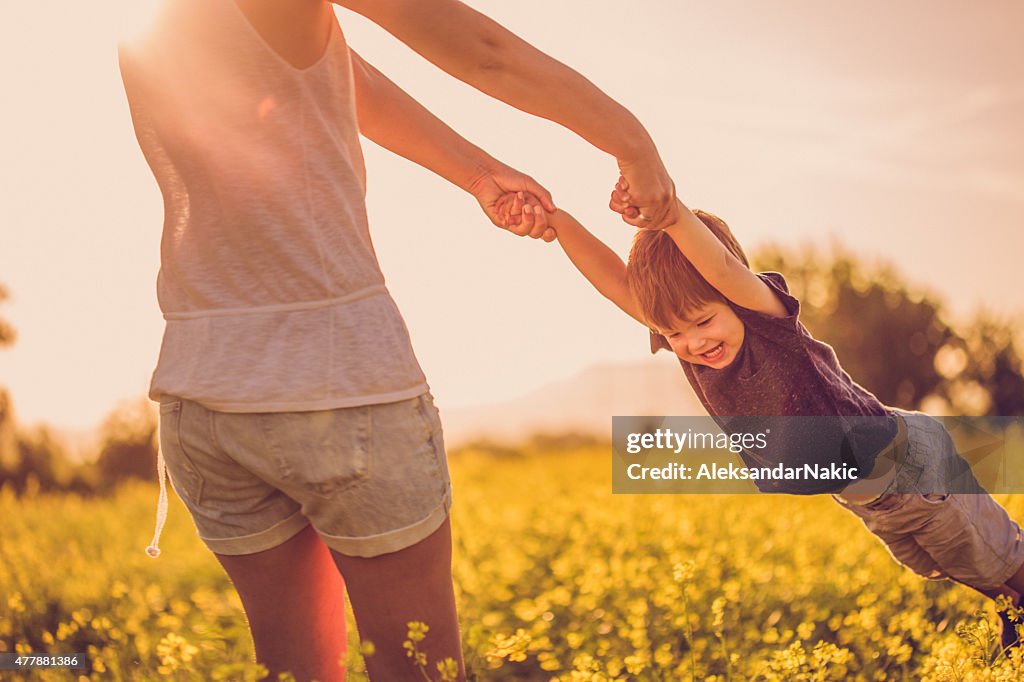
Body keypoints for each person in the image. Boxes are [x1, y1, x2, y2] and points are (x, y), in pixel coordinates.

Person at [117, 0, 675, 680]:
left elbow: (335, 72)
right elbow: (481, 48)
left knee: (294, 672)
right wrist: (634, 145)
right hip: (341, 384)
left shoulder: (165, 20)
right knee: (419, 671)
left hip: (201, 390)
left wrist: (475, 170)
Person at [508, 181, 1024, 652]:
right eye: (673, 335)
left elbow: (724, 271)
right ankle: (1012, 611)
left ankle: (1017, 609)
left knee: (995, 559)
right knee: (950, 565)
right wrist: (558, 223)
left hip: (910, 466)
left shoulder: (766, 321)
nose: (693, 343)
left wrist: (666, 212)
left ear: (734, 299)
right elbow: (615, 283)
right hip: (872, 497)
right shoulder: (681, 332)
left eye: (704, 322)